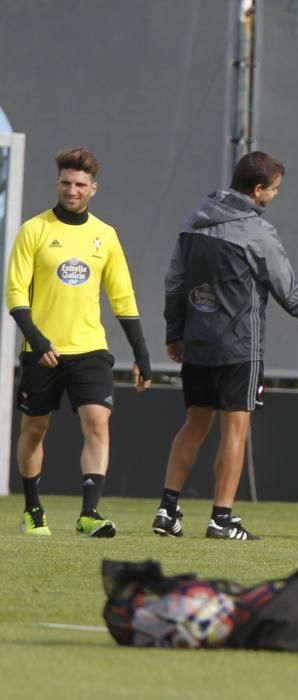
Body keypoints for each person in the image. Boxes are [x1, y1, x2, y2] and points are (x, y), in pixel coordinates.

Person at [152, 151, 298, 541]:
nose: (274, 197)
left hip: (198, 344)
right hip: (240, 347)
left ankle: (167, 510)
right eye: (274, 190)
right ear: (257, 190)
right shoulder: (257, 232)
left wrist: (175, 333)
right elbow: (288, 291)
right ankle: (222, 518)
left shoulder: (193, 221)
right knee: (235, 429)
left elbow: (174, 283)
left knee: (194, 424)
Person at [6, 147, 152, 538]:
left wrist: (142, 354)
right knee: (34, 430)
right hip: (42, 353)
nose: (73, 190)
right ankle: (33, 510)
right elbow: (16, 294)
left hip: (89, 349)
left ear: (94, 189)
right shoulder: (34, 230)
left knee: (97, 422)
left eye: (80, 184)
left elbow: (124, 299)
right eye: (67, 183)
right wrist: (36, 341)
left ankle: (90, 513)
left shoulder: (105, 236)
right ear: (57, 184)